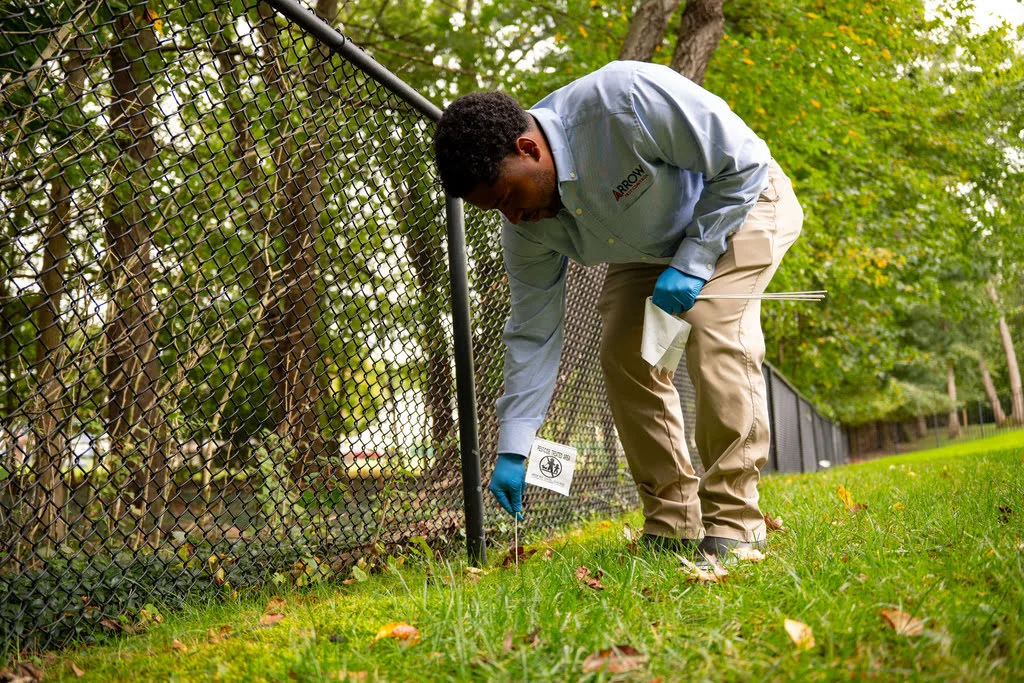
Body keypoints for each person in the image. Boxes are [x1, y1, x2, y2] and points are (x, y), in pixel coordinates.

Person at [433, 60, 803, 560]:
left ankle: (735, 521)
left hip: (742, 201)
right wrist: (515, 442)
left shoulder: (624, 100)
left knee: (714, 326)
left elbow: (742, 164)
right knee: (626, 357)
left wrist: (695, 262)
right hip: (649, 250)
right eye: (495, 210)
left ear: (528, 149)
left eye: (507, 197)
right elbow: (532, 331)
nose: (513, 217)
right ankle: (674, 520)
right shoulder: (524, 225)